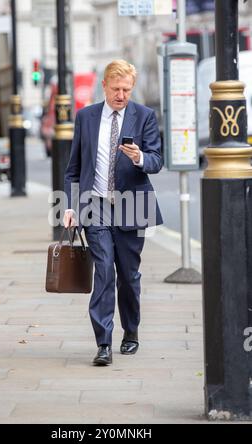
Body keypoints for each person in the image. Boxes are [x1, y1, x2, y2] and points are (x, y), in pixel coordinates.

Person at [63, 60, 163, 366]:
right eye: (116, 88)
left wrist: (140, 157)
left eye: (127, 90)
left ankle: (130, 332)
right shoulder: (86, 117)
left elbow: (157, 161)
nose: (121, 95)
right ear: (104, 85)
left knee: (128, 276)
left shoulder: (144, 116)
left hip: (133, 205)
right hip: (96, 206)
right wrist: (70, 205)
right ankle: (103, 343)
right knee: (104, 272)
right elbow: (74, 170)